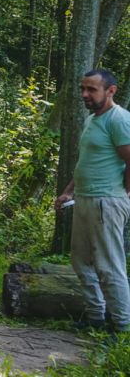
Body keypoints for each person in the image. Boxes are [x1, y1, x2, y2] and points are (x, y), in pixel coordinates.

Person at [55, 69, 130, 332]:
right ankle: (95, 317)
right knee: (81, 262)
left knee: (109, 266)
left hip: (106, 202)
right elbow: (85, 163)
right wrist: (69, 192)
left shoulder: (119, 119)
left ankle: (122, 326)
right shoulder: (92, 119)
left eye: (92, 89)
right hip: (85, 200)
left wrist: (124, 192)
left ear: (111, 91)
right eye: (83, 89)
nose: (85, 94)